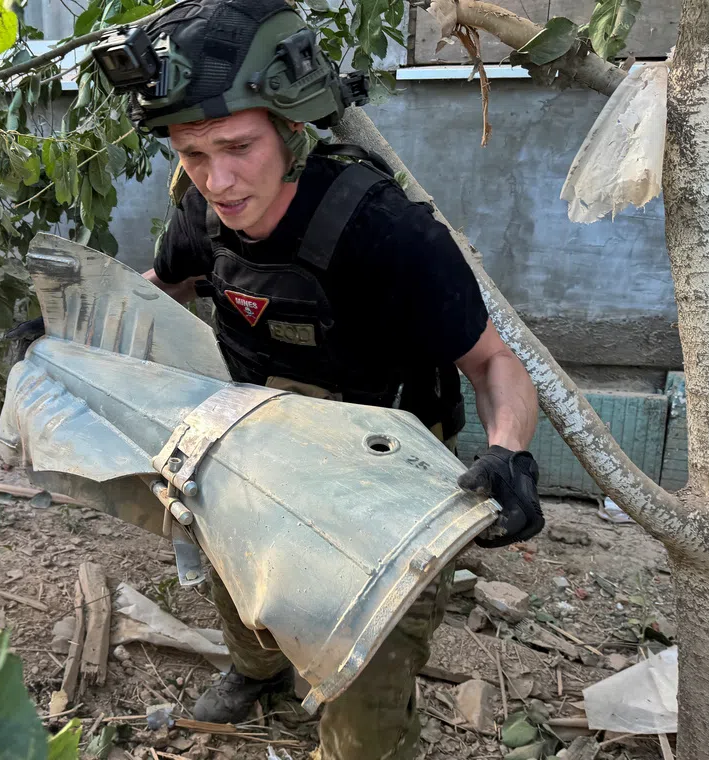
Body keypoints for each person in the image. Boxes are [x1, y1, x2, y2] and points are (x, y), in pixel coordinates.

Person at [78, 3, 545, 757]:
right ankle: (257, 668)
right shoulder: (202, 211)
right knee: (238, 565)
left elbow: (492, 360)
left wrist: (510, 452)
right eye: (191, 154)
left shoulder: (385, 231)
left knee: (363, 696)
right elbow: (162, 284)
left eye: (236, 147)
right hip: (256, 434)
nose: (218, 181)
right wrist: (77, 326)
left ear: (292, 129)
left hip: (380, 473)